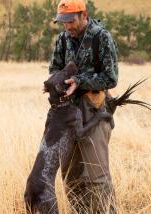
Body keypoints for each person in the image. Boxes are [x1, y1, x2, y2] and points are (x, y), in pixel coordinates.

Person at [49, 0, 118, 213]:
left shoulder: (101, 37)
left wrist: (79, 81)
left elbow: (111, 77)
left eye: (71, 20)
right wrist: (59, 85)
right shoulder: (62, 39)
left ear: (84, 14)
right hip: (66, 113)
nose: (67, 26)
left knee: (97, 175)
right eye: (63, 22)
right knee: (70, 174)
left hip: (94, 109)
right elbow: (54, 70)